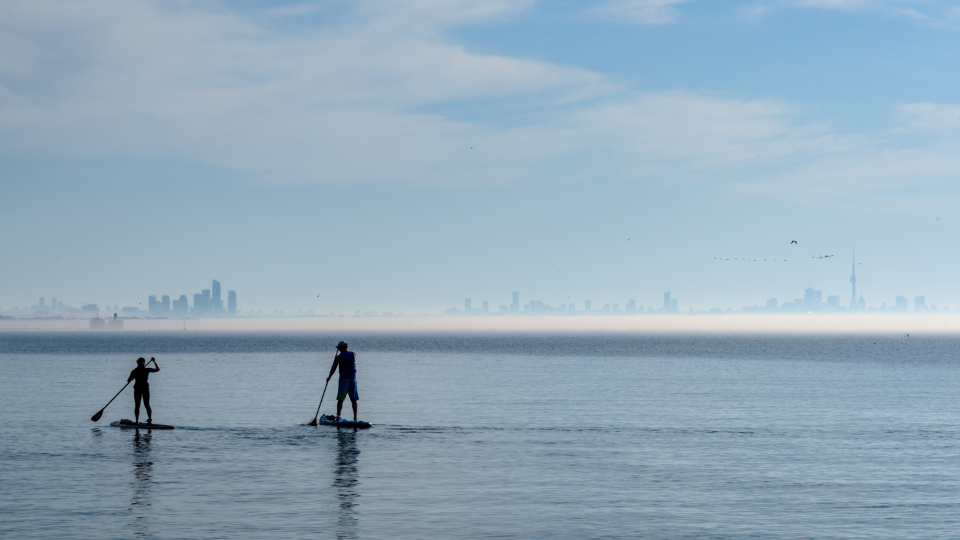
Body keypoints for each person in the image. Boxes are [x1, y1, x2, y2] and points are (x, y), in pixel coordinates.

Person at [327, 341, 359, 421]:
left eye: (339, 348)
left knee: (340, 400)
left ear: (341, 348)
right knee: (354, 400)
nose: (338, 349)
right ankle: (355, 418)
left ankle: (338, 416)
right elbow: (355, 353)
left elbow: (333, 368)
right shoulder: (353, 354)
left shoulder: (339, 357)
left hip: (344, 380)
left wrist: (329, 377)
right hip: (353, 380)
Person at [127, 357, 160, 424]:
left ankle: (137, 422)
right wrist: (154, 361)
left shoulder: (134, 371)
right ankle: (149, 420)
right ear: (143, 363)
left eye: (139, 363)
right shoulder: (146, 370)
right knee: (146, 405)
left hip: (138, 389)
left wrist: (132, 378)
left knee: (138, 405)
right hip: (144, 388)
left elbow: (128, 380)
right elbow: (158, 369)